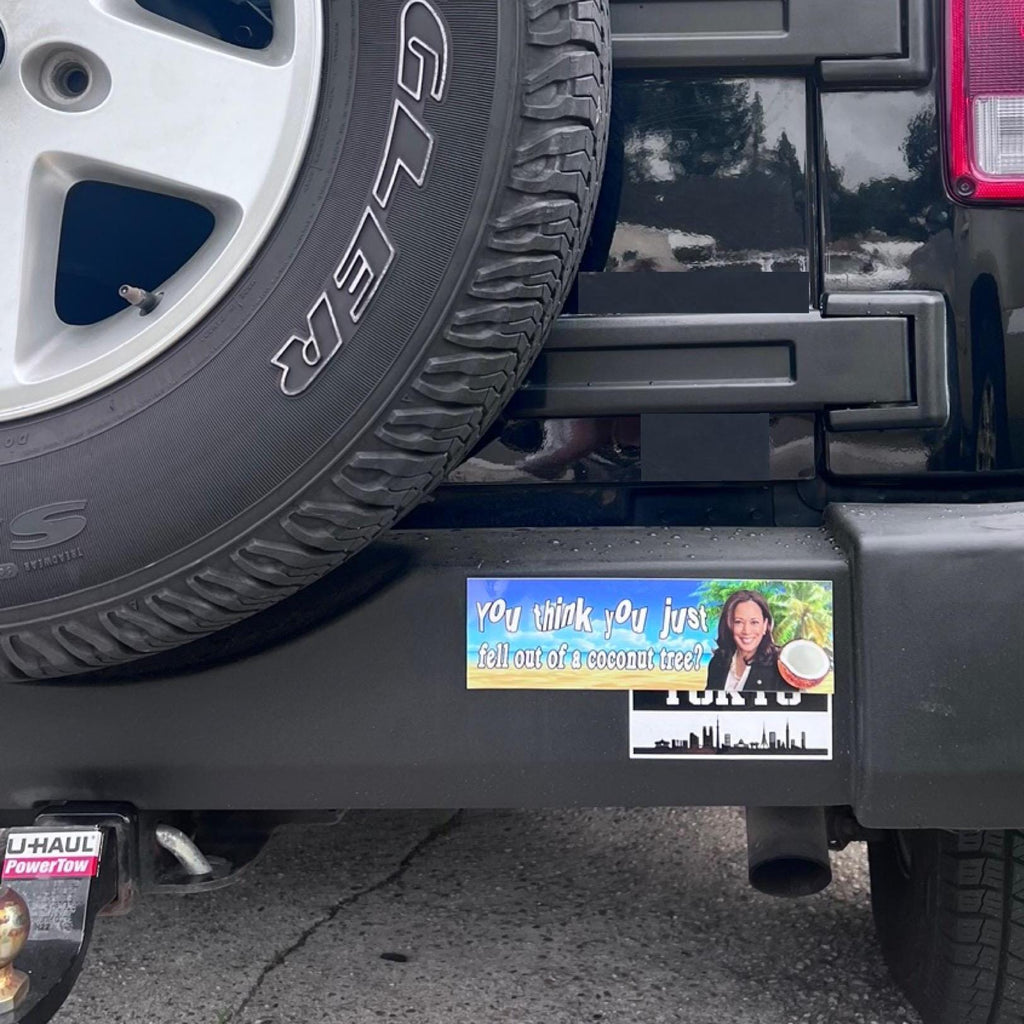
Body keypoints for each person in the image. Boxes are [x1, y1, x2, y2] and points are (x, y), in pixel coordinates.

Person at [705, 589, 784, 692]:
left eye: (754, 622)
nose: (746, 631)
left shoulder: (780, 668)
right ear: (729, 625)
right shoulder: (718, 662)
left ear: (765, 625)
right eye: (738, 622)